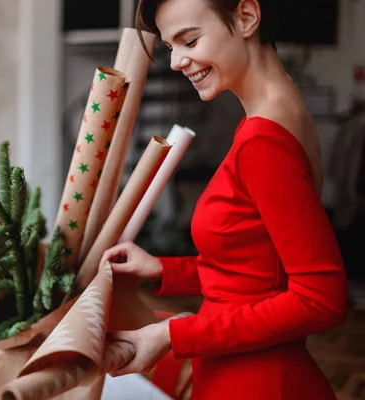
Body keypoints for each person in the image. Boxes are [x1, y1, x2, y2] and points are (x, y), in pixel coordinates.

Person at [101, 0, 348, 398]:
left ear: (247, 17)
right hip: (241, 370)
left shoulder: (263, 140)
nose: (178, 61)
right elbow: (259, 270)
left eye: (190, 40)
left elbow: (319, 299)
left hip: (258, 382)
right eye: (171, 48)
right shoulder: (279, 113)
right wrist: (164, 269)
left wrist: (171, 333)